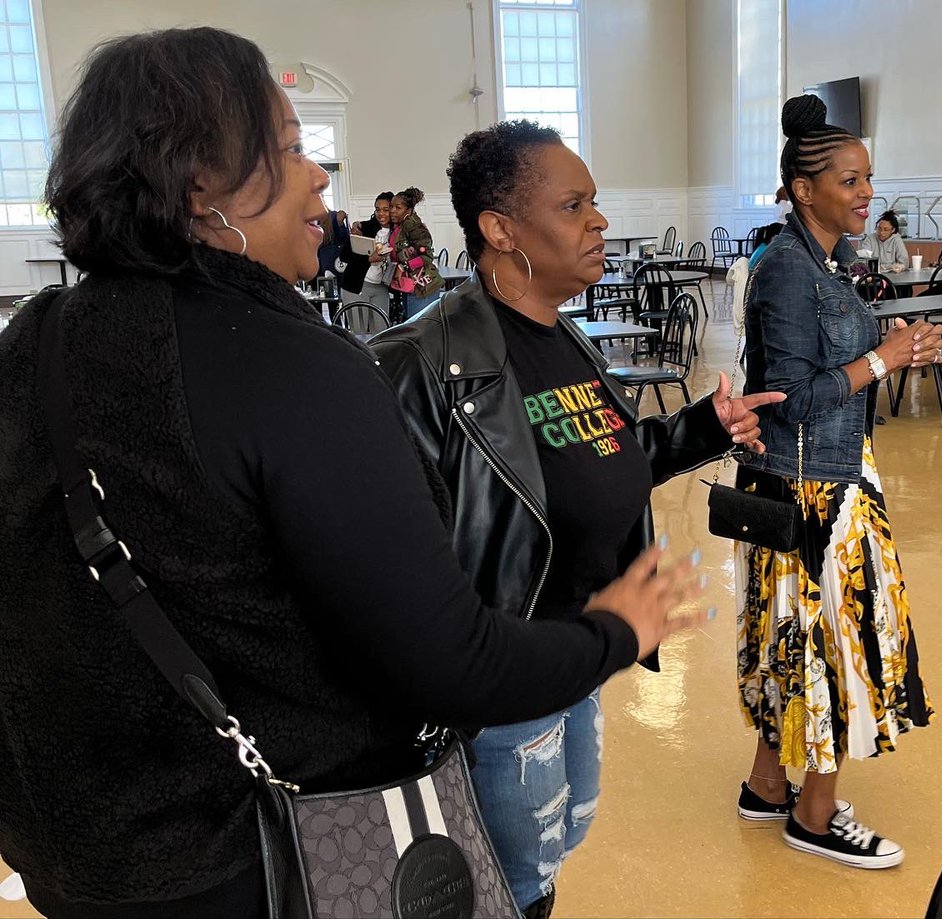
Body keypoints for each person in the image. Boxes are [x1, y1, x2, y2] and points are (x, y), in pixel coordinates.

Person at [0, 28, 705, 918]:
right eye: (290, 147)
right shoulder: (295, 367)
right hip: (253, 851)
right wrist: (614, 631)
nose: (321, 175)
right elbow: (451, 662)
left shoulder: (37, 338)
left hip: (71, 845)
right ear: (199, 183)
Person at [372, 119, 784, 917]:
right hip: (499, 687)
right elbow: (401, 558)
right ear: (500, 228)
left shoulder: (565, 337)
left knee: (547, 861)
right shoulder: (421, 364)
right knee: (503, 883)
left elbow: (594, 456)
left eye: (594, 202)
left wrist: (702, 428)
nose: (599, 220)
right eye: (573, 205)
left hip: (577, 660)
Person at [733, 94, 941, 870]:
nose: (865, 193)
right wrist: (884, 358)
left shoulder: (817, 259)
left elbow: (823, 376)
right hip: (809, 492)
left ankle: (765, 784)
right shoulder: (790, 269)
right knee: (832, 646)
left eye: (868, 179)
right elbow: (788, 399)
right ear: (802, 189)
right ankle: (814, 816)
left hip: (815, 479)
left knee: (788, 639)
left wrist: (891, 348)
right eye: (850, 180)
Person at [387, 186, 444, 322]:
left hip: (424, 286)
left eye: (398, 207)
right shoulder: (400, 225)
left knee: (419, 327)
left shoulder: (413, 226)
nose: (392, 211)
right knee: (412, 325)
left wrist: (403, 267)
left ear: (408, 210)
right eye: (391, 207)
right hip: (411, 285)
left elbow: (427, 255)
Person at [339, 191, 392, 297]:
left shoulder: (398, 232)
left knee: (382, 314)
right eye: (378, 209)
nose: (381, 213)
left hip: (383, 286)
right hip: (356, 285)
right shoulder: (363, 227)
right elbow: (344, 256)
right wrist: (369, 259)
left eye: (386, 210)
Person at [311, 206, 349, 283]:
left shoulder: (332, 216)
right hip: (314, 263)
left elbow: (344, 240)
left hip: (331, 261)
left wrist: (340, 223)